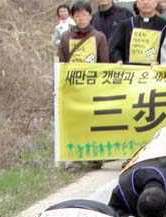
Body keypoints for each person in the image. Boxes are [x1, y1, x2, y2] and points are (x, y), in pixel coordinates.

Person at [58, 1, 109, 171]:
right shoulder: (66, 37)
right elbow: (62, 64)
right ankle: (74, 159)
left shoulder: (99, 37)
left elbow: (104, 64)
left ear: (90, 16)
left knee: (94, 123)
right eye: (77, 15)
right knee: (75, 123)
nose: (81, 18)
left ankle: (95, 157)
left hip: (93, 89)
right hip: (73, 89)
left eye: (84, 14)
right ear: (72, 17)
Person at [110, 0, 166, 65]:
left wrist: (159, 61)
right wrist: (118, 60)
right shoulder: (127, 25)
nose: (146, 2)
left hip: (154, 71)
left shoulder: (164, 25)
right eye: (142, 0)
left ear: (156, 2)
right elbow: (115, 48)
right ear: (137, 3)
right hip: (131, 71)